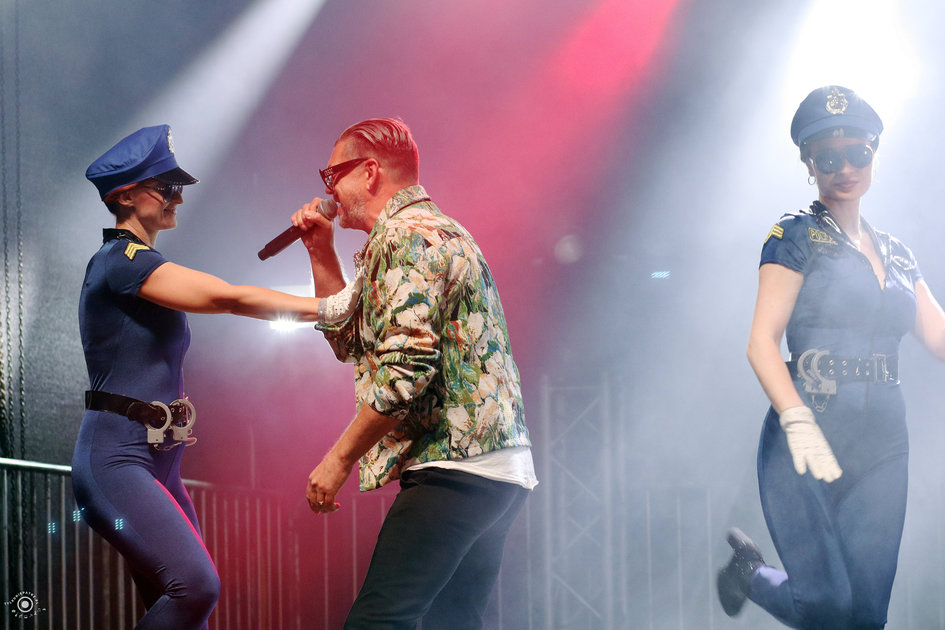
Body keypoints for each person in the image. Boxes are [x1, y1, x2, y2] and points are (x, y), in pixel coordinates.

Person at [73, 124, 359, 630]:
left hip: (158, 461)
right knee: (196, 586)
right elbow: (228, 297)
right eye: (167, 188)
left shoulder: (142, 265)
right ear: (125, 196)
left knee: (190, 610)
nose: (179, 199)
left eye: (179, 188)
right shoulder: (120, 262)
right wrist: (332, 306)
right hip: (116, 459)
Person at [290, 117, 537, 630]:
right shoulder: (435, 229)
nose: (328, 189)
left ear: (370, 172)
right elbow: (350, 341)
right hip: (497, 467)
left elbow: (406, 369)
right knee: (453, 622)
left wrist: (338, 461)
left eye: (332, 174)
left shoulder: (403, 237)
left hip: (455, 465)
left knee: (378, 621)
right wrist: (320, 250)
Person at [716, 86, 945, 629]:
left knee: (865, 618)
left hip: (883, 447)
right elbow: (761, 341)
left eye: (857, 154)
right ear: (809, 164)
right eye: (828, 158)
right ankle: (750, 574)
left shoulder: (898, 254)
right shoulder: (794, 236)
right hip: (805, 437)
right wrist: (796, 420)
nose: (844, 168)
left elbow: (938, 339)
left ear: (874, 154)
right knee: (826, 605)